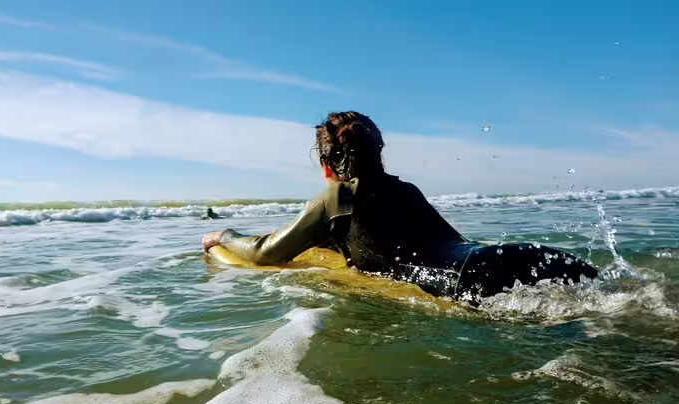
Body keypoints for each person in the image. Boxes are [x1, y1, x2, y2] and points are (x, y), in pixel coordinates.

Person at [203, 111, 598, 304]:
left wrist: (223, 235)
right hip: (522, 257)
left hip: (468, 283)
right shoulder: (406, 190)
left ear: (326, 164)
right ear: (380, 153)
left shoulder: (336, 197)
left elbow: (265, 253)